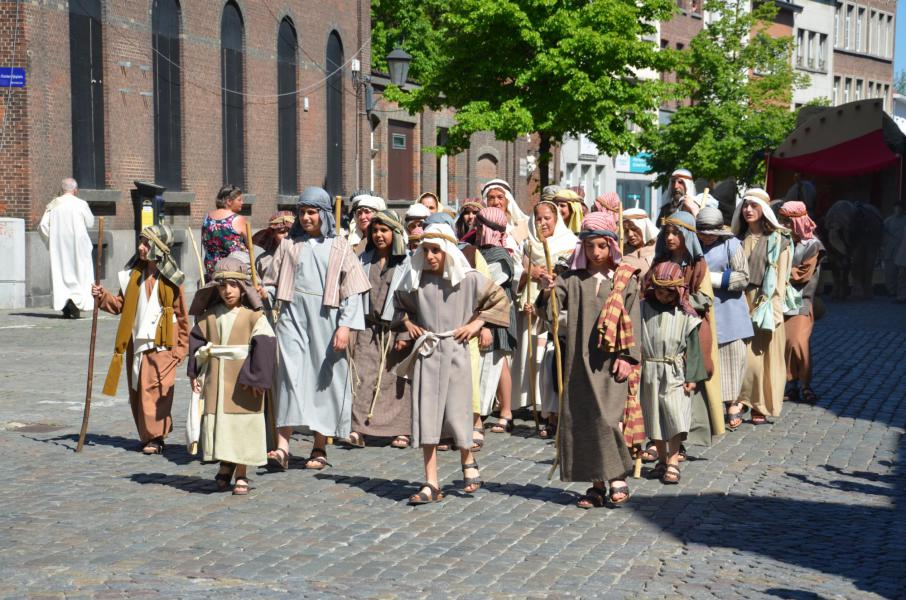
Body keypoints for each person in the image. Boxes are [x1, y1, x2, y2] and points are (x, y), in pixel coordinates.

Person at [393, 223, 511, 505]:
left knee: (458, 411)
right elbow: (398, 307)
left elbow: (499, 299)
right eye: (426, 250)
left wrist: (477, 324)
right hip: (428, 352)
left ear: (448, 250)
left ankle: (467, 457)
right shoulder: (416, 278)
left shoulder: (468, 279)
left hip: (456, 351)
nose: (431, 256)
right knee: (427, 416)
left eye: (436, 250)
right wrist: (408, 324)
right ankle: (430, 481)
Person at [536, 212, 639, 509]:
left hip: (611, 361)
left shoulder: (625, 279)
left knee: (608, 420)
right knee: (587, 421)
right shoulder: (573, 279)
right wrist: (548, 289)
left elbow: (634, 320)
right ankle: (596, 484)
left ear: (611, 246)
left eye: (602, 246)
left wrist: (628, 357)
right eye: (590, 247)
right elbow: (552, 313)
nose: (596, 253)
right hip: (579, 362)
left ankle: (618, 476)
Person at [269, 187, 371, 471]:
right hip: (291, 316)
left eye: (311, 212)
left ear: (323, 214)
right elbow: (270, 281)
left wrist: (345, 327)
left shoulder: (339, 246)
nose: (305, 218)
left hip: (327, 318)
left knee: (323, 380)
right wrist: (263, 293)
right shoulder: (289, 244)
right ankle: (282, 447)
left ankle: (319, 446)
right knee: (288, 377)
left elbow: (353, 291)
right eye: (302, 212)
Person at [93, 224, 190, 455]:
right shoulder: (131, 277)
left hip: (164, 343)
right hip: (136, 341)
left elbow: (183, 316)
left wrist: (182, 348)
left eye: (146, 243)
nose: (141, 247)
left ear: (159, 247)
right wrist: (102, 296)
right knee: (138, 390)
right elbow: (119, 306)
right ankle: (149, 435)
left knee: (156, 389)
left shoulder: (172, 280)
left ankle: (155, 437)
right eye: (141, 242)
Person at [187, 258, 276, 495]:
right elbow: (196, 342)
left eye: (234, 285)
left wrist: (257, 378)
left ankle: (242, 473)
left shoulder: (253, 317)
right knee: (222, 425)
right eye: (222, 286)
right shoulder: (209, 316)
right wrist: (194, 370)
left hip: (243, 381)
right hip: (216, 379)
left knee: (242, 426)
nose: (228, 291)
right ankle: (226, 463)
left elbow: (266, 346)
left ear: (243, 287)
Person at [641, 210, 722, 461]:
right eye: (668, 232)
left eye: (676, 232)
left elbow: (705, 298)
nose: (670, 237)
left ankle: (680, 440)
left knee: (688, 383)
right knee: (656, 389)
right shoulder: (659, 261)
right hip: (658, 325)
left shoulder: (698, 265)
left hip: (689, 323)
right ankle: (659, 440)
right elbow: (647, 287)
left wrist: (680, 297)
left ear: (687, 234)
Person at [347, 210, 413, 449]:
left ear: (394, 233)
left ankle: (400, 430)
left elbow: (412, 302)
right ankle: (359, 429)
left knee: (395, 381)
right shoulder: (363, 259)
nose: (378, 235)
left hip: (395, 330)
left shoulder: (407, 262)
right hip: (368, 328)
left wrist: (405, 334)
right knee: (363, 377)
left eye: (383, 230)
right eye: (374, 230)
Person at [639, 261, 707, 485]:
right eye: (659, 291)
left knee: (675, 415)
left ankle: (674, 460)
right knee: (654, 415)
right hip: (648, 369)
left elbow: (694, 348)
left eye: (669, 292)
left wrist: (692, 377)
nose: (663, 296)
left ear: (678, 291)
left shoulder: (685, 315)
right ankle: (661, 457)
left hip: (674, 371)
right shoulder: (642, 309)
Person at [513, 200, 577, 438]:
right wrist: (532, 272)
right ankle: (549, 414)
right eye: (538, 218)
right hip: (535, 306)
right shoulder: (529, 244)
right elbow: (519, 270)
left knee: (557, 363)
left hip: (561, 311)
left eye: (547, 218)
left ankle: (564, 417)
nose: (542, 223)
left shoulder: (570, 242)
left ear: (556, 219)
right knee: (543, 368)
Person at [732, 188, 793, 424]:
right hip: (741, 301)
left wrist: (774, 308)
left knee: (764, 356)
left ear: (764, 210)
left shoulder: (779, 240)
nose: (748, 210)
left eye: (754, 206)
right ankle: (742, 399)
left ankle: (761, 405)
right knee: (744, 355)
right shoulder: (736, 239)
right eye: (745, 205)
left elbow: (781, 278)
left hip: (766, 301)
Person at [696, 206, 753, 431]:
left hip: (729, 311)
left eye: (711, 233)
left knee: (731, 359)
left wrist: (711, 279)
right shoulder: (694, 245)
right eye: (703, 232)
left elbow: (743, 277)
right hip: (702, 311)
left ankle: (732, 404)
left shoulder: (732, 244)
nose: (707, 237)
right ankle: (710, 406)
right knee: (707, 359)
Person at [474, 207, 518, 434]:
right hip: (480, 317)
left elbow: (485, 288)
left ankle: (485, 414)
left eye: (482, 225)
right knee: (494, 366)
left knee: (494, 364)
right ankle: (495, 413)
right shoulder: (478, 250)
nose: (477, 228)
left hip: (495, 317)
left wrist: (485, 324)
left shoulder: (501, 257)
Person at [778, 201, 825, 404]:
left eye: (787, 221)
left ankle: (805, 384)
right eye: (782, 221)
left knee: (798, 342)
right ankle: (792, 384)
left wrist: (778, 273)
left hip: (801, 302)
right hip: (782, 302)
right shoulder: (783, 241)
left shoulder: (813, 245)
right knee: (786, 345)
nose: (784, 225)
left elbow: (803, 274)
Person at [38, 177, 95, 319]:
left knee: (62, 274)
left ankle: (65, 305)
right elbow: (90, 222)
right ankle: (77, 304)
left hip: (60, 249)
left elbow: (43, 226)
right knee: (79, 273)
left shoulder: (54, 205)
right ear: (75, 190)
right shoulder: (81, 204)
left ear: (62, 190)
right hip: (78, 247)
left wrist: (51, 242)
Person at [202, 185, 247, 280]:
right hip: (232, 271)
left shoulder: (207, 218)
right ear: (229, 201)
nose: (242, 202)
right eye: (239, 200)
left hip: (212, 269)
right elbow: (250, 245)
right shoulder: (238, 219)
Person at [482, 179, 530, 253]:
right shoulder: (480, 227)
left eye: (500, 197)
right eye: (491, 198)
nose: (496, 202)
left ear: (508, 200)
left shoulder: (522, 226)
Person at [621, 208, 659, 279]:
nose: (630, 234)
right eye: (626, 230)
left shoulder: (658, 249)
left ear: (644, 227)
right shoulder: (621, 252)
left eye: (634, 229)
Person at [882, 205, 906, 297]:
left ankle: (901, 293)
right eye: (896, 207)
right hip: (891, 249)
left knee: (901, 274)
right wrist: (886, 242)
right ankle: (891, 291)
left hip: (903, 250)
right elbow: (883, 233)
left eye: (900, 207)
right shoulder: (888, 220)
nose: (898, 209)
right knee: (890, 272)